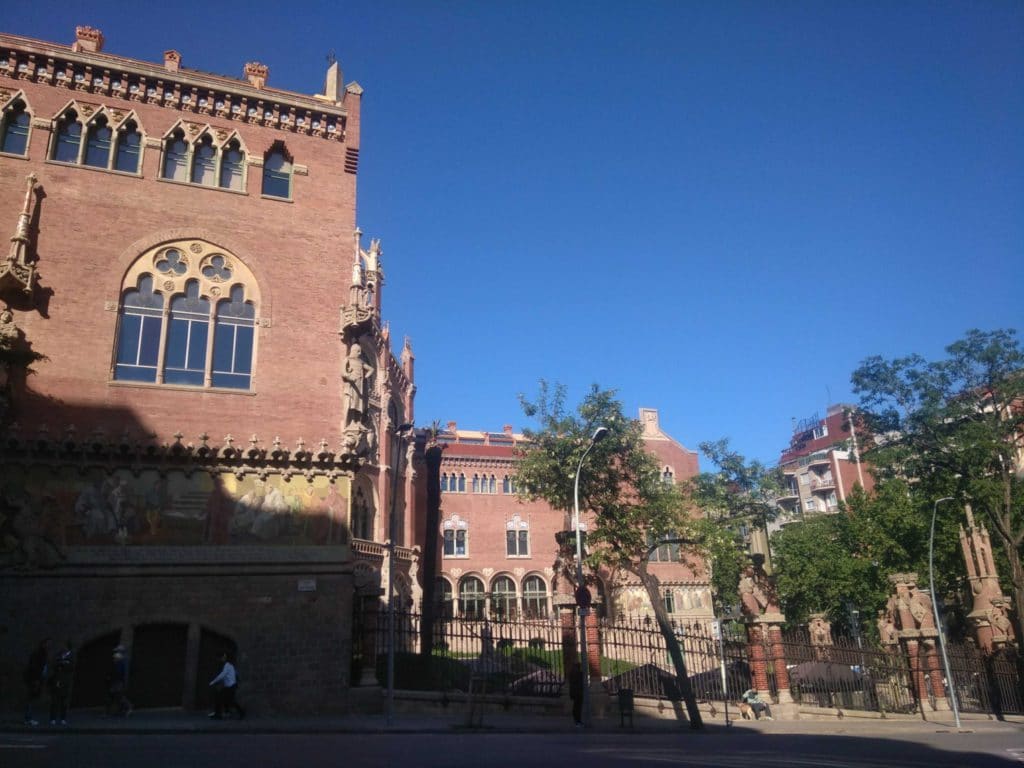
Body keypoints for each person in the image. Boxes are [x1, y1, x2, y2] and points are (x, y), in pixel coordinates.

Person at [209, 652, 245, 720]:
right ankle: (221, 713)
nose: (220, 659)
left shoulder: (227, 666)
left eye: (221, 658)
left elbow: (222, 675)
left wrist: (213, 682)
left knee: (228, 700)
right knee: (222, 699)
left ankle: (240, 712)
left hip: (230, 686)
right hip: (229, 686)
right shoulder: (230, 665)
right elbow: (234, 674)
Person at [23, 638, 50, 725]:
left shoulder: (43, 654)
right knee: (30, 698)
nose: (48, 646)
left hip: (37, 679)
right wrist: (36, 679)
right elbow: (34, 667)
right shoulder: (38, 654)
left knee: (32, 698)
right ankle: (28, 718)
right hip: (35, 679)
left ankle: (29, 717)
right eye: (47, 644)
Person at [48, 645, 73, 725]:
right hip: (56, 681)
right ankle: (53, 718)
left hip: (65, 682)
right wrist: (61, 663)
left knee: (63, 702)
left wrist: (62, 664)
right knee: (55, 702)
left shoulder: (70, 658)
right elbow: (54, 665)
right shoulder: (57, 657)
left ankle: (62, 718)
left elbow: (70, 668)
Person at [107, 645, 132, 717]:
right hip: (116, 680)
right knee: (115, 695)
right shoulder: (119, 660)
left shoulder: (121, 660)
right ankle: (120, 709)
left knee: (117, 695)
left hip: (118, 681)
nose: (115, 653)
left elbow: (121, 672)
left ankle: (127, 707)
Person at [568, 661, 583, 728]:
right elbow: (580, 683)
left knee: (576, 707)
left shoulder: (571, 674)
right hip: (578, 692)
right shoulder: (579, 674)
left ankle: (577, 721)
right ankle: (578, 721)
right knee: (578, 708)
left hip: (574, 692)